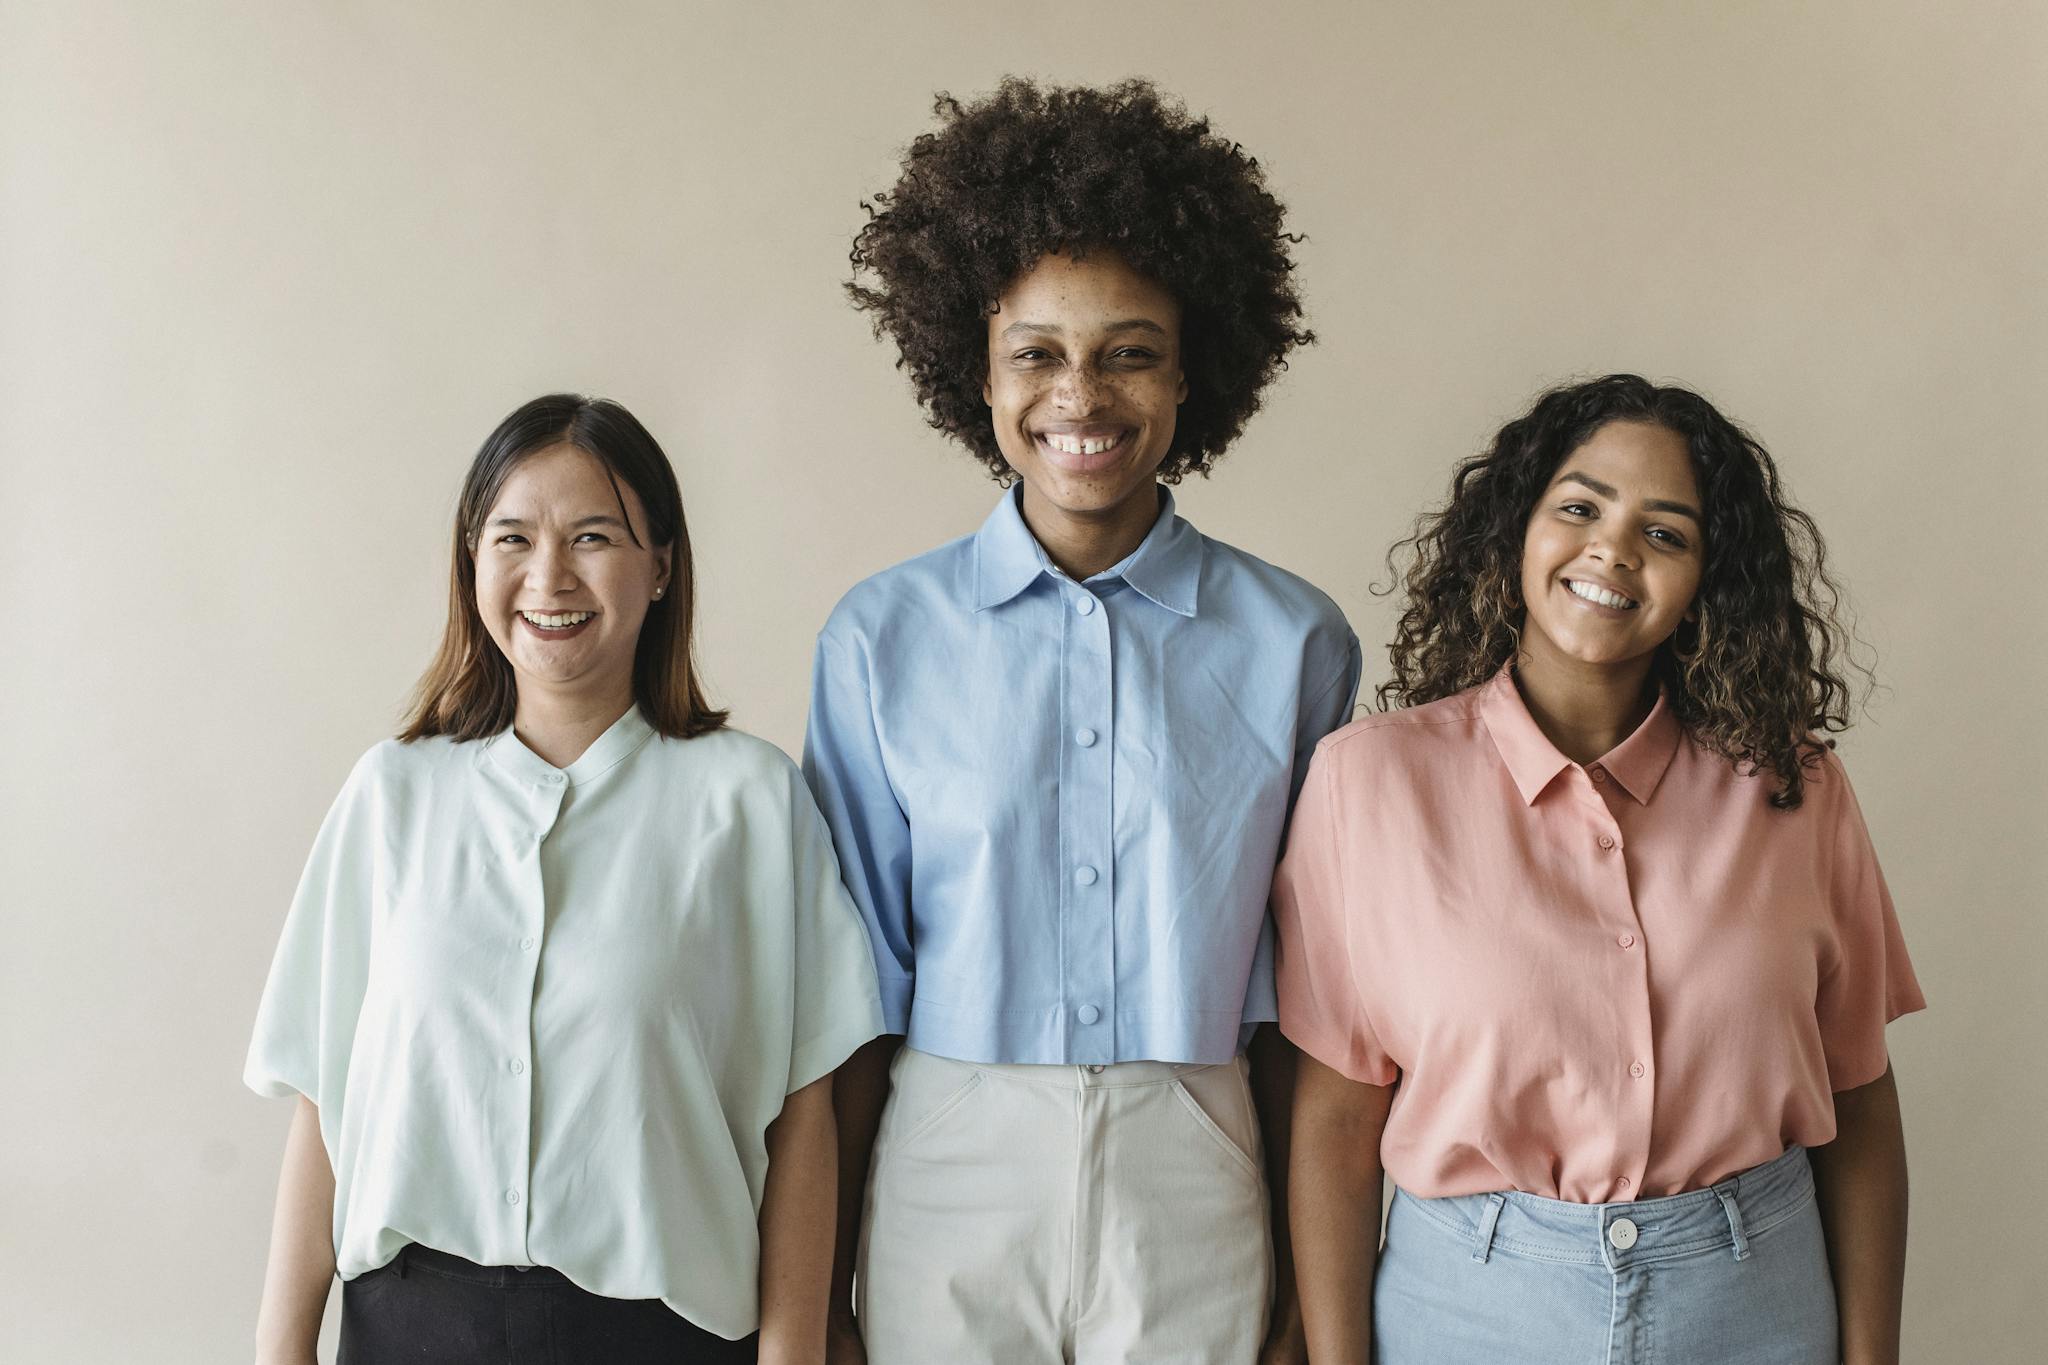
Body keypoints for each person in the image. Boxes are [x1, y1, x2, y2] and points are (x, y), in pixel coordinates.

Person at [806, 78, 1359, 1364]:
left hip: (1197, 1157)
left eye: (1129, 350)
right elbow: (843, 1000)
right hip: (947, 1157)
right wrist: (823, 1301)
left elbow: (1310, 1009)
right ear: (976, 365)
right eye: (1036, 352)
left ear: (1189, 370)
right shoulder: (879, 641)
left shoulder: (1295, 646)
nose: (1081, 396)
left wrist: (1302, 1306)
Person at [1278, 374, 1924, 1365]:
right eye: (1578, 508)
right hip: (1465, 1309)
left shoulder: (1792, 789)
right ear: (1516, 532)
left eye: (1663, 532)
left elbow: (1859, 1099)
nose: (1612, 551)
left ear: (1708, 577)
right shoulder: (1368, 782)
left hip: (1755, 1303)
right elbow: (1334, 1111)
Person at [247, 394, 882, 1365]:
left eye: (593, 537)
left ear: (660, 566)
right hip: (411, 1329)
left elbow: (804, 1115)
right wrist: (278, 1350)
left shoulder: (748, 802)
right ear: (471, 561)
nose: (549, 575)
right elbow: (324, 1105)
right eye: (513, 537)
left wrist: (793, 1353)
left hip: (661, 1337)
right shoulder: (393, 796)